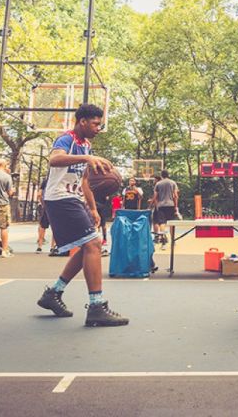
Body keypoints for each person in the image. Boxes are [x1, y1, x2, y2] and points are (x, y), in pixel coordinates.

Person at [36, 103, 129, 327]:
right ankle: (97, 306)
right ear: (82, 122)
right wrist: (87, 159)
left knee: (88, 246)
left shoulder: (85, 145)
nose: (99, 128)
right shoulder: (65, 139)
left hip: (73, 199)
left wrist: (93, 208)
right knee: (94, 245)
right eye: (96, 124)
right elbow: (54, 160)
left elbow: (85, 181)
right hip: (59, 198)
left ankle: (53, 294)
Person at [151, 170, 178, 246]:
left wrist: (156, 205)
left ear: (161, 175)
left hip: (161, 205)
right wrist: (176, 206)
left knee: (162, 223)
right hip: (171, 205)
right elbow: (175, 196)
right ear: (168, 175)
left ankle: (163, 239)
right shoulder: (173, 183)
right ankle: (173, 240)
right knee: (172, 223)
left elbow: (155, 197)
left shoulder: (158, 184)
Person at [36, 176, 56, 254]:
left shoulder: (46, 180)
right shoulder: (59, 179)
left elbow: (39, 194)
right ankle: (53, 246)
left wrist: (43, 203)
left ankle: (39, 246)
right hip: (57, 204)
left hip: (47, 204)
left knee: (42, 226)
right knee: (55, 226)